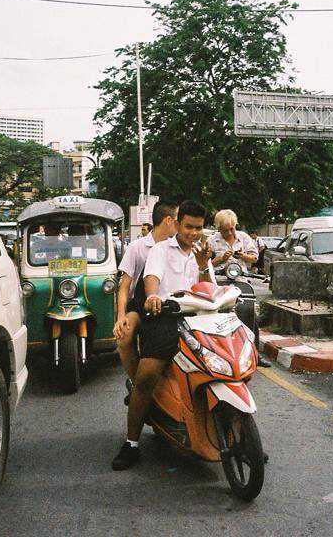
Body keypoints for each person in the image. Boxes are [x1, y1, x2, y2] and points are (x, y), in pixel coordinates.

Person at [112, 200, 213, 471]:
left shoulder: (200, 253)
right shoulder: (159, 249)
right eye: (189, 226)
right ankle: (131, 443)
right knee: (145, 378)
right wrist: (154, 295)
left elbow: (208, 288)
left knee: (221, 369)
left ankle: (238, 439)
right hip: (163, 318)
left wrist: (203, 265)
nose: (193, 233)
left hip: (196, 321)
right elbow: (151, 278)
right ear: (177, 224)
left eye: (199, 228)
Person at [113, 201, 179, 381]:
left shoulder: (177, 247)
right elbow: (124, 287)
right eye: (178, 220)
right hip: (140, 306)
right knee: (123, 336)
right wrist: (121, 316)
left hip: (171, 306)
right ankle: (136, 382)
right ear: (168, 220)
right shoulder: (137, 247)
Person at [210, 210, 270, 367]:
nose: (229, 232)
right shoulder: (211, 240)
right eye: (225, 230)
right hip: (219, 281)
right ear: (219, 228)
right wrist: (220, 259)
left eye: (232, 228)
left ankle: (255, 354)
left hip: (240, 279)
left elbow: (255, 257)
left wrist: (242, 256)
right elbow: (206, 263)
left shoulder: (243, 237)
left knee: (250, 313)